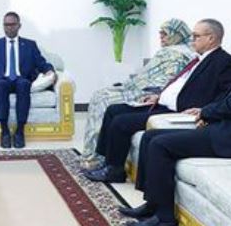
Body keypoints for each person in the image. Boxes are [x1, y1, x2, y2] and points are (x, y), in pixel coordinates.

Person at [121, 19, 231, 226]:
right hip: (229, 130)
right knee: (152, 136)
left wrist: (207, 112)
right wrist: (208, 113)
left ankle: (165, 219)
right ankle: (153, 204)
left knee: (160, 145)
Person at [84, 19, 231, 183]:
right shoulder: (198, 59)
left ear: (211, 38)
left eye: (196, 36)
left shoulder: (224, 62)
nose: (192, 40)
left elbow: (226, 95)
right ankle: (105, 161)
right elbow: (180, 84)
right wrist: (160, 95)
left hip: (178, 111)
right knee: (113, 110)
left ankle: (115, 171)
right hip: (162, 103)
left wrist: (204, 110)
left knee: (121, 122)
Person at [81, 18, 195, 166]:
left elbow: (165, 80)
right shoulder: (172, 50)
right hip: (144, 89)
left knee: (103, 98)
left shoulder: (179, 54)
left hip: (151, 93)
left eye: (165, 33)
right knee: (102, 96)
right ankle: (98, 155)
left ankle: (97, 157)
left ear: (177, 34)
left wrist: (145, 89)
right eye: (160, 32)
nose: (161, 36)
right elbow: (149, 74)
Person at [0, 11, 56, 149]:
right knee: (1, 84)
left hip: (21, 79)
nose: (9, 28)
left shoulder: (30, 45)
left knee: (24, 84)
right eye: (6, 25)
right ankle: (4, 131)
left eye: (12, 24)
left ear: (19, 25)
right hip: (1, 80)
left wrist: (49, 70)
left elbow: (41, 62)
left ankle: (20, 131)